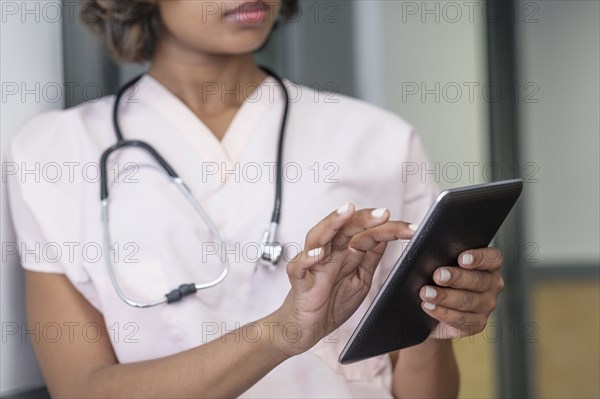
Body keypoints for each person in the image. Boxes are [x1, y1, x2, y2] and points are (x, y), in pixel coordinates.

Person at [6, 1, 504, 397]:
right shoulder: (53, 154)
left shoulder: (380, 140)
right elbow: (84, 389)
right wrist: (279, 333)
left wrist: (432, 322)